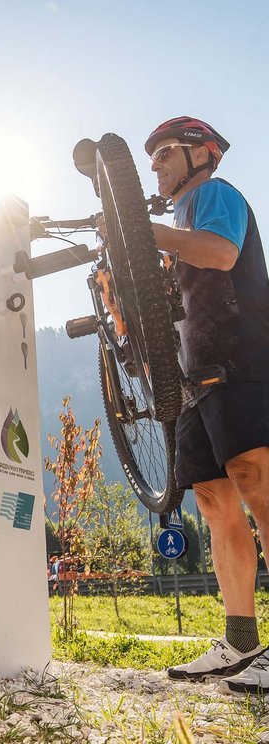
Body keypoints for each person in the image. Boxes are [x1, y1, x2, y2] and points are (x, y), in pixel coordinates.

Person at [144, 116, 269, 694]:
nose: (155, 163)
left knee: (256, 481)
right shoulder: (179, 221)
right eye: (153, 157)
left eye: (166, 152)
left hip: (241, 354)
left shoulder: (214, 195)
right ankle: (241, 639)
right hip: (197, 374)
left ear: (204, 154)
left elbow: (220, 254)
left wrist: (144, 233)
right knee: (215, 498)